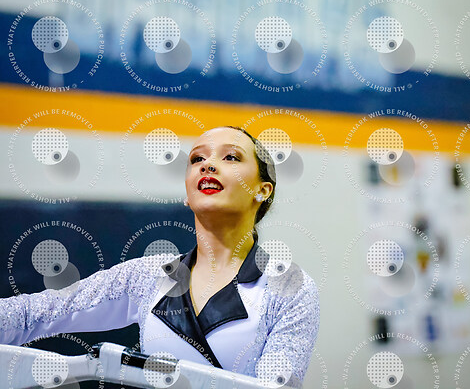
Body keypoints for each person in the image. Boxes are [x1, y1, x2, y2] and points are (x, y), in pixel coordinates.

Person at [0, 126, 320, 388]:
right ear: (187, 194)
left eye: (231, 157)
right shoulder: (150, 275)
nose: (208, 165)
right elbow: (31, 315)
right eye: (197, 159)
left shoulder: (289, 287)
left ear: (263, 190)